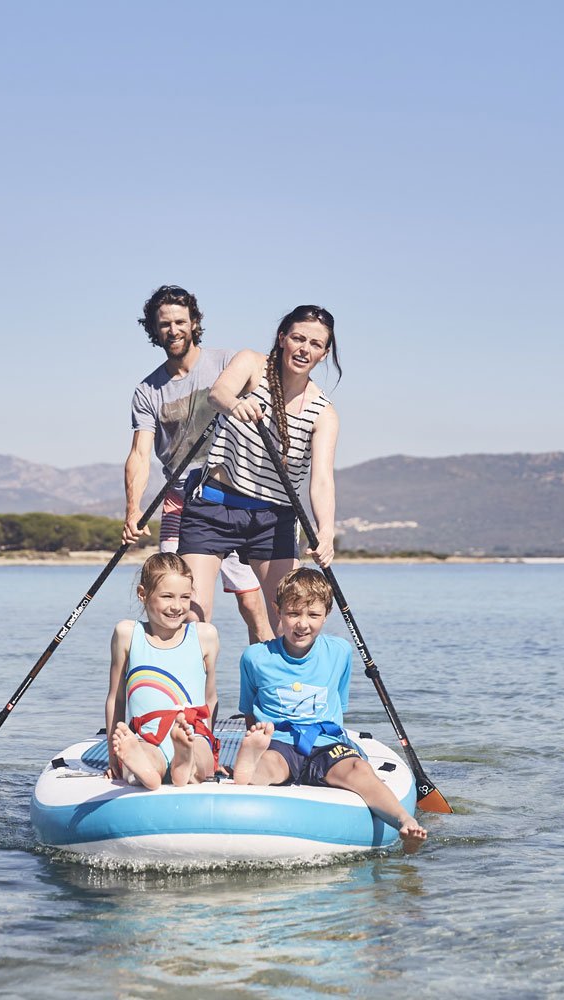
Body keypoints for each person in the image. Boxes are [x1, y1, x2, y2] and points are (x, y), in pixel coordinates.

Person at [233, 568, 427, 853]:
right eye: (293, 614)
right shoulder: (256, 656)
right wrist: (258, 738)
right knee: (268, 765)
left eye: (313, 615)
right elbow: (249, 710)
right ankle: (247, 771)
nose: (302, 624)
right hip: (279, 743)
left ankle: (404, 820)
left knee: (359, 769)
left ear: (326, 614)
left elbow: (339, 706)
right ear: (278, 611)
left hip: (327, 745)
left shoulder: (339, 651)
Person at [123, 284, 273, 644]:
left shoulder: (226, 363)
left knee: (252, 604)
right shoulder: (148, 391)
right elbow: (140, 454)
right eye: (164, 324)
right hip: (180, 499)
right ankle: (189, 696)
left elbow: (275, 395)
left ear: (194, 323)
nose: (173, 330)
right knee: (183, 608)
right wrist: (132, 509)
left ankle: (269, 688)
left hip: (236, 495)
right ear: (153, 329)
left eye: (179, 321)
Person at [177, 304, 340, 634]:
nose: (304, 349)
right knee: (192, 615)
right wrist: (237, 403)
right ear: (282, 339)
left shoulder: (324, 413)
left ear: (324, 354)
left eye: (315, 344)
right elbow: (219, 393)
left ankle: (276, 684)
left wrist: (326, 531)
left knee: (289, 621)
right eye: (298, 338)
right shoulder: (252, 365)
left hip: (273, 518)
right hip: (213, 506)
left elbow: (321, 479)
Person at [106, 552, 220, 790]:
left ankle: (185, 761)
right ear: (143, 594)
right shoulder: (128, 633)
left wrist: (210, 748)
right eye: (167, 596)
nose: (177, 607)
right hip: (147, 737)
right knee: (144, 760)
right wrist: (113, 755)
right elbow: (116, 697)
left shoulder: (204, 635)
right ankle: (147, 769)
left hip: (192, 733)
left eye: (185, 597)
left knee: (201, 761)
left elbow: (210, 698)